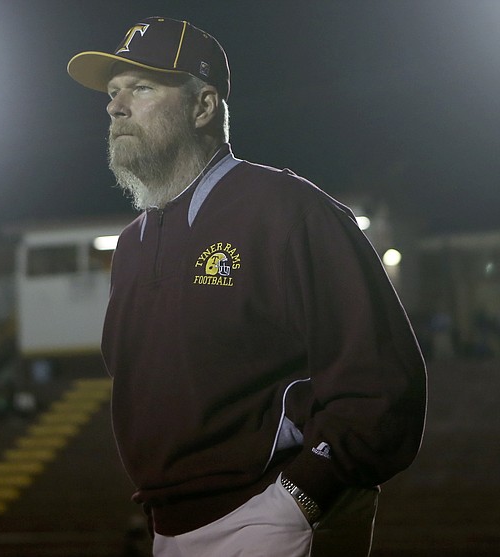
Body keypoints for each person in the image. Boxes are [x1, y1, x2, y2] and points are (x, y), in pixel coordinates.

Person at [67, 16, 427, 557]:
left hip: (269, 514)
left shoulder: (286, 209)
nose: (116, 106)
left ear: (203, 106)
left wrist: (303, 494)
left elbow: (382, 378)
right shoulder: (132, 247)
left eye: (141, 87)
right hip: (168, 527)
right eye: (114, 93)